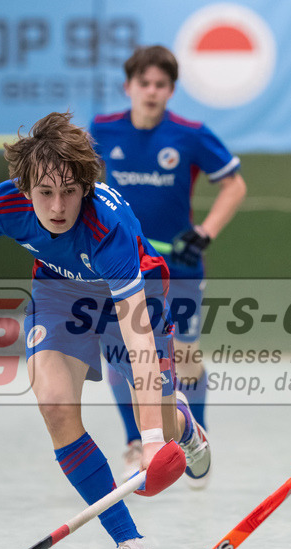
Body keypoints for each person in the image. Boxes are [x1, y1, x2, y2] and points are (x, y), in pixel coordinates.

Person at [0, 112, 210, 549]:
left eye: (69, 192)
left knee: (152, 411)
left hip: (136, 298)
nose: (56, 206)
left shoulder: (107, 227)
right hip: (60, 292)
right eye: (45, 193)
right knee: (54, 404)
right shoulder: (6, 204)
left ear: (86, 187)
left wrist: (153, 437)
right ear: (26, 187)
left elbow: (137, 337)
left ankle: (183, 425)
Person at [90, 45, 246, 480]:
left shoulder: (190, 133)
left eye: (161, 84)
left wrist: (206, 231)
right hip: (120, 265)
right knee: (120, 355)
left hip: (178, 267)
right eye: (144, 84)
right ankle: (137, 442)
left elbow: (234, 186)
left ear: (171, 90)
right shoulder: (102, 130)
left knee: (183, 355)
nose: (152, 92)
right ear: (129, 87)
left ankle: (196, 435)